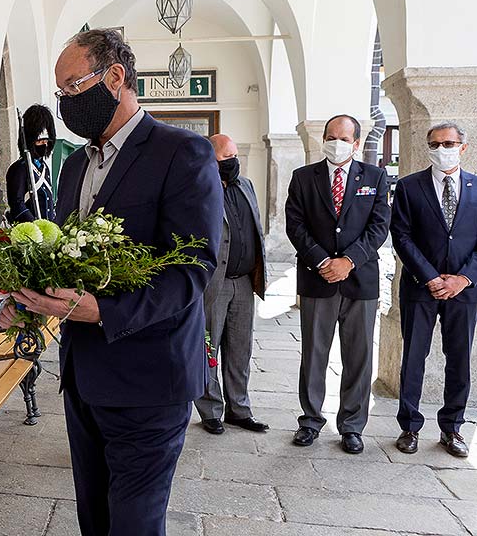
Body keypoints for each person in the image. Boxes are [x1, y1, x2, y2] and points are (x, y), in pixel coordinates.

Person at [0, 29, 222, 536]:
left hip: (150, 377)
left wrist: (104, 311)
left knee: (135, 523)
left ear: (116, 77)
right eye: (60, 95)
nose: (64, 105)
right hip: (83, 375)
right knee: (94, 518)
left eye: (73, 89)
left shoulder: (181, 152)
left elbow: (191, 268)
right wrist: (28, 300)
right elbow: (65, 260)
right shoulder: (74, 165)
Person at [284, 114, 390, 454]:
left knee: (359, 356)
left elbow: (379, 226)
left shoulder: (375, 177)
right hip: (318, 279)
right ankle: (311, 421)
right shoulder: (303, 178)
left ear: (356, 143)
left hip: (361, 281)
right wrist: (322, 261)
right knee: (314, 353)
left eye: (343, 138)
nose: (336, 142)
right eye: (331, 136)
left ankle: (352, 426)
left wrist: (349, 261)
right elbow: (295, 224)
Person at [391, 122, 477, 458]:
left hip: (464, 291)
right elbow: (401, 236)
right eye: (435, 144)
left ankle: (452, 428)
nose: (442, 149)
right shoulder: (410, 187)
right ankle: (409, 426)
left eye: (449, 143)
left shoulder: (476, 187)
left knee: (459, 358)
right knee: (414, 357)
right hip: (419, 287)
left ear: (463, 147)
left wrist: (462, 279)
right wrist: (430, 277)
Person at [196, 134, 268, 435]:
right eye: (227, 158)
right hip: (215, 282)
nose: (233, 163)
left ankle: (239, 409)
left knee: (240, 350)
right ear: (211, 160)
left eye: (235, 155)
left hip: (243, 282)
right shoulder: (199, 189)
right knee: (208, 348)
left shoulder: (246, 185)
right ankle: (211, 410)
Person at [5, 104, 57, 223]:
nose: (44, 144)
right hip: (30, 230)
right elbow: (17, 203)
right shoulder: (20, 168)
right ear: (31, 141)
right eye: (40, 141)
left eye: (46, 141)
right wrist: (35, 225)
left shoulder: (44, 168)